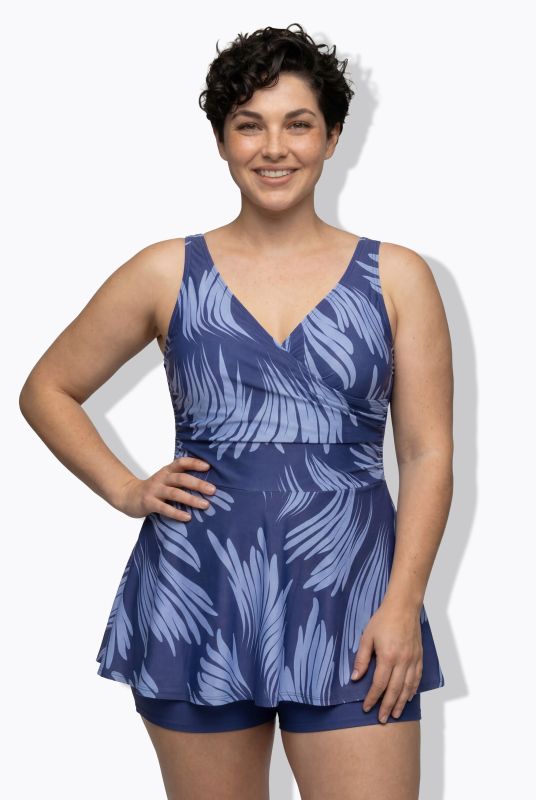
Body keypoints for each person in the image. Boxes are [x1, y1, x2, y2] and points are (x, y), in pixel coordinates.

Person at [19, 22, 453, 800]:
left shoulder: (398, 277)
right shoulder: (165, 271)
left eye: (298, 124)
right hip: (199, 591)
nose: (274, 148)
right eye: (250, 125)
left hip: (355, 601)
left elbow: (427, 454)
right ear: (222, 140)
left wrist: (404, 603)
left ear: (333, 137)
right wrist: (127, 489)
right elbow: (47, 388)